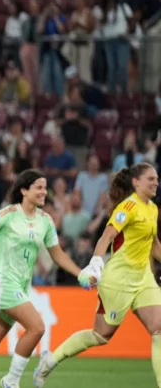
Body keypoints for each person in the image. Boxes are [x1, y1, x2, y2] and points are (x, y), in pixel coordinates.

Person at [0, 169, 97, 388]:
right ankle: (11, 381)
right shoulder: (8, 214)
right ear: (24, 190)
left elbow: (57, 254)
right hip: (1, 281)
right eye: (38, 187)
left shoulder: (45, 221)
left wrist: (80, 273)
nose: (44, 192)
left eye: (45, 187)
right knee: (37, 327)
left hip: (20, 286)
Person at [34, 162, 161, 388]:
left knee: (159, 329)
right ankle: (49, 361)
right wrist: (95, 264)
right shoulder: (127, 208)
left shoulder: (152, 208)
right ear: (136, 182)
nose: (156, 183)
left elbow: (154, 244)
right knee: (101, 335)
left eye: (157, 178)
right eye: (151, 179)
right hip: (118, 281)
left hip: (143, 279)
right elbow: (106, 237)